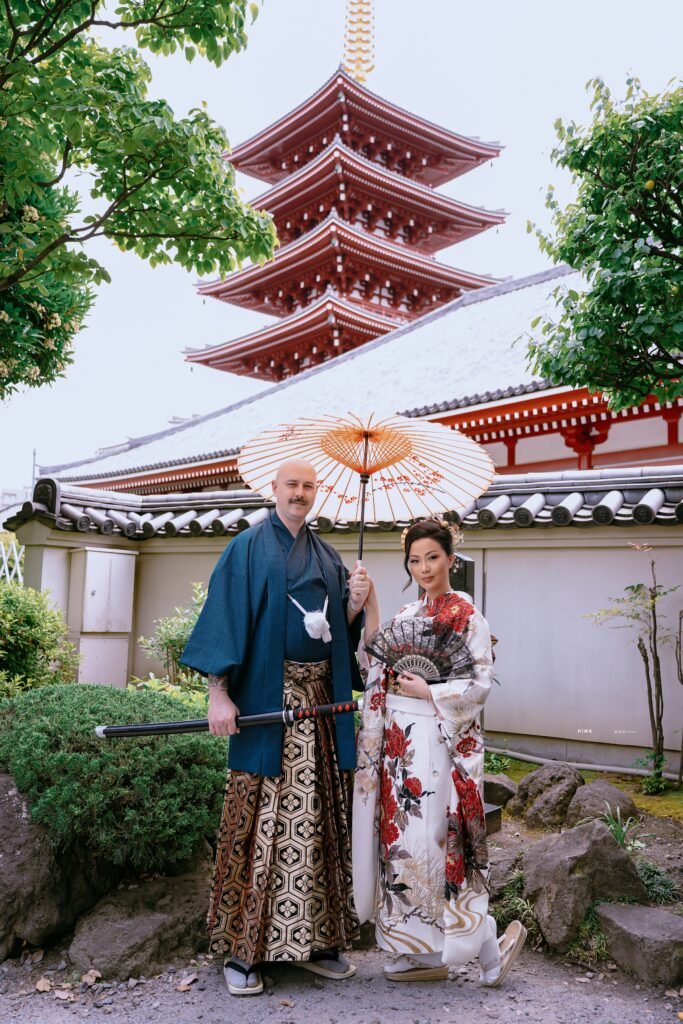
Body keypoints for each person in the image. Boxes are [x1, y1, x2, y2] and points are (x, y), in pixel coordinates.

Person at [181, 459, 373, 996]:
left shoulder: (328, 555)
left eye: (309, 486)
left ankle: (317, 941)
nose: (300, 493)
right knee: (266, 819)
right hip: (268, 704)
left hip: (318, 706)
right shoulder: (246, 548)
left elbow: (335, 631)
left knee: (320, 819)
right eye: (292, 484)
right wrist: (219, 692)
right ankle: (246, 950)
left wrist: (352, 606)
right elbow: (226, 618)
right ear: (274, 489)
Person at [353, 518, 526, 985]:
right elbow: (375, 663)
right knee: (400, 844)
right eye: (415, 559)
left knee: (435, 841)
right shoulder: (407, 615)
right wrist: (370, 607)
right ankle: (415, 951)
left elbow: (479, 683)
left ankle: (483, 941)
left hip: (438, 740)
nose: (424, 567)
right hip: (398, 745)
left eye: (432, 557)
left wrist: (430, 691)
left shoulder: (467, 615)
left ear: (451, 558)